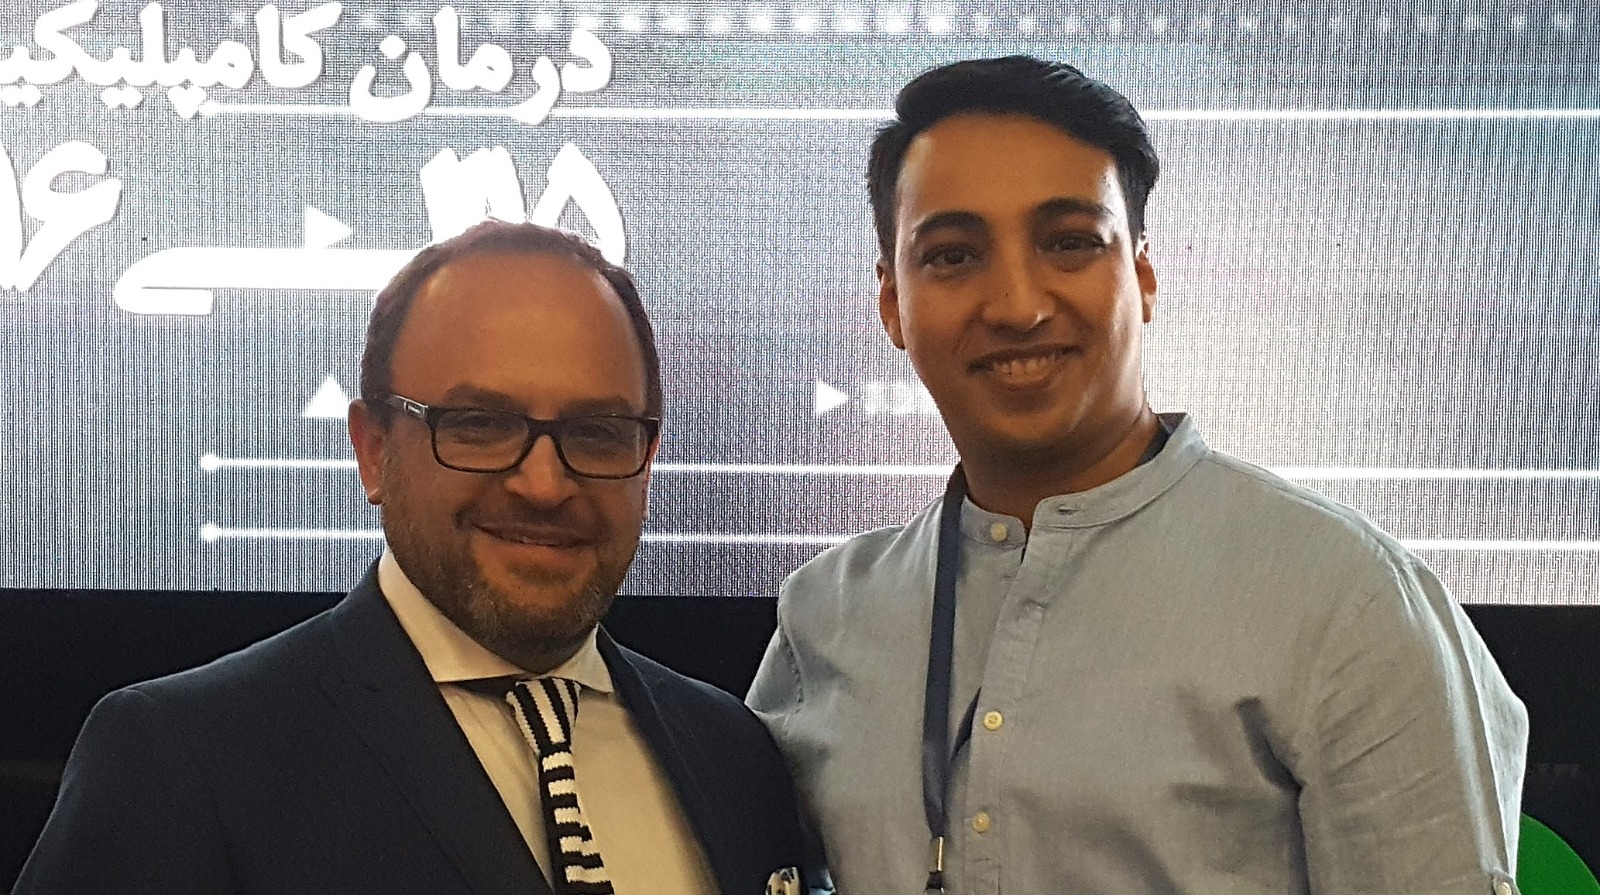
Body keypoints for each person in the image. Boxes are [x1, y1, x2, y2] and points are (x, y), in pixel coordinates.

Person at [747, 56, 1527, 895]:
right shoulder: (826, 619)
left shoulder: (1346, 600)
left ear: (1144, 276)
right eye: (953, 255)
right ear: (892, 303)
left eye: (1070, 243)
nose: (1017, 305)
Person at [20, 221, 806, 895]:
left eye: (597, 432)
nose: (543, 483)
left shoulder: (735, 756)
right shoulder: (181, 762)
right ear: (373, 450)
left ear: (647, 457)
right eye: (479, 425)